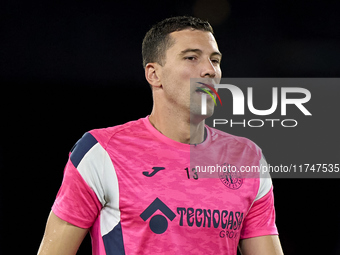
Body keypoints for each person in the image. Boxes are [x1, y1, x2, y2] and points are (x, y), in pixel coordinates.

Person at [38, 16, 284, 255]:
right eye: (191, 58)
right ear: (154, 74)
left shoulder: (247, 158)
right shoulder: (102, 151)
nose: (209, 71)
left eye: (215, 60)